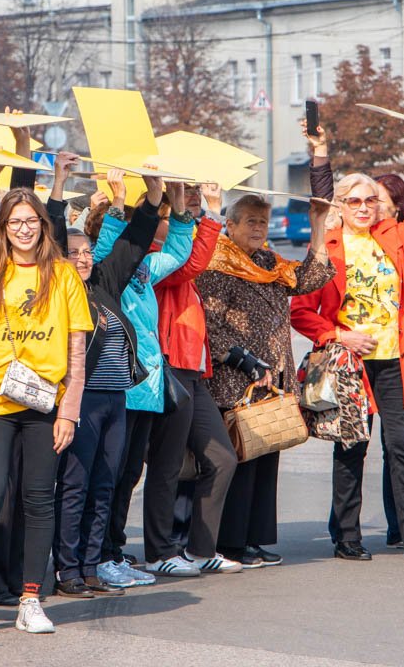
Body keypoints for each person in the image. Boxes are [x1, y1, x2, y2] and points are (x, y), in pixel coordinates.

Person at [291, 135, 404, 562]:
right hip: (348, 364)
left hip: (394, 361)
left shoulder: (392, 235)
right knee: (352, 446)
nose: (363, 208)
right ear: (340, 204)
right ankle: (347, 537)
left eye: (370, 200)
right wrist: (339, 335)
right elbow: (301, 311)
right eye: (354, 201)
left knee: (403, 448)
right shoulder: (326, 245)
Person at [0, 188, 92, 637]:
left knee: (38, 499)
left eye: (32, 221)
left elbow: (76, 351)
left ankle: (31, 598)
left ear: (43, 226)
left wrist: (69, 412)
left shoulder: (64, 276)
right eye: (16, 222)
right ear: (4, 228)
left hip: (44, 403)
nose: (24, 229)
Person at [198, 183, 334, 568]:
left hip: (273, 377)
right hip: (237, 377)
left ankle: (254, 539)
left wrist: (319, 227)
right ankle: (230, 542)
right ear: (230, 224)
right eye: (251, 222)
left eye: (264, 222)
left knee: (266, 458)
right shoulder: (216, 261)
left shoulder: (270, 262)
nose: (259, 228)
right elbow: (210, 323)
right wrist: (244, 361)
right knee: (240, 460)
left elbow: (310, 279)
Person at [52, 159, 166, 597]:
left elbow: (135, 242)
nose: (81, 258)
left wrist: (153, 195)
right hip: (78, 400)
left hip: (115, 399)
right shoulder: (60, 290)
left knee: (105, 484)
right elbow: (54, 231)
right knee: (76, 486)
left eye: (86, 251)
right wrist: (60, 183)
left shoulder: (103, 282)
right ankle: (67, 570)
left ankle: (93, 563)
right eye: (73, 252)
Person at [90, 172, 199, 576]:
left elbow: (178, 252)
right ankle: (100, 554)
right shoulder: (105, 268)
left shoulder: (143, 270)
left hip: (147, 387)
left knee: (129, 475)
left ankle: (114, 550)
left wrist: (180, 204)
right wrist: (120, 201)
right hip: (120, 387)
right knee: (110, 477)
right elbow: (108, 245)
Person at [143, 180, 241, 577]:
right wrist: (211, 215)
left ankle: (201, 548)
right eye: (173, 211)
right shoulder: (154, 257)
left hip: (192, 370)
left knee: (221, 457)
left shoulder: (176, 254)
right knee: (165, 465)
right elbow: (192, 263)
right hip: (169, 366)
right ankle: (159, 551)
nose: (183, 216)